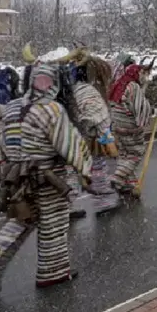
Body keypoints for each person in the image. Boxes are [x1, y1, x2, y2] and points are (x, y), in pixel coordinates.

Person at [0, 63, 92, 292]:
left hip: (18, 177)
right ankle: (53, 273)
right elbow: (70, 143)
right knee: (53, 225)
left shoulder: (13, 107)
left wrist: (12, 165)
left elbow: (5, 142)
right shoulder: (52, 109)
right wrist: (85, 169)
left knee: (19, 219)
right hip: (49, 177)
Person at [65, 50, 121, 214]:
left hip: (70, 138)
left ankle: (69, 206)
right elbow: (98, 118)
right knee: (97, 168)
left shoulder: (69, 90)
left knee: (71, 170)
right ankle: (102, 202)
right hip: (88, 138)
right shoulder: (89, 92)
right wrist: (108, 139)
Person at [108, 62, 153, 196]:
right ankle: (118, 178)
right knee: (135, 154)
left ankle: (129, 184)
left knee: (124, 154)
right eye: (144, 74)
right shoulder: (133, 87)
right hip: (129, 127)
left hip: (118, 126)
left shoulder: (120, 84)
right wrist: (154, 111)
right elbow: (141, 108)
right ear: (138, 74)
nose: (145, 77)